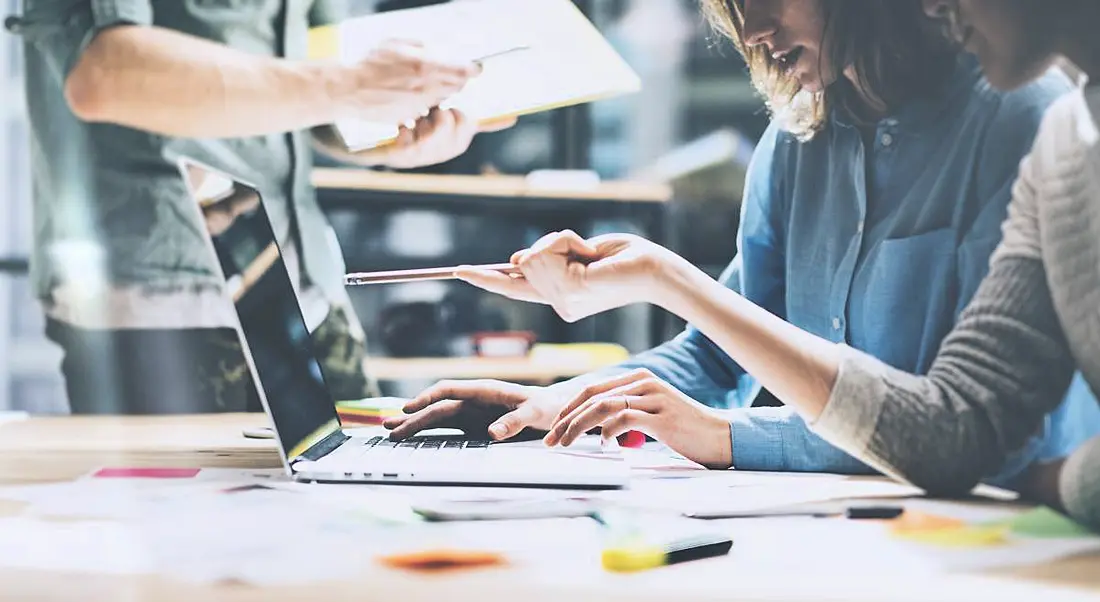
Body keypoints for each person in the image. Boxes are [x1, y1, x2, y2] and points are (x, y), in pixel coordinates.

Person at [397, 0, 1100, 529]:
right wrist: (559, 406)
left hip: (992, 528)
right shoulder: (799, 138)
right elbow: (717, 357)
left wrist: (727, 437)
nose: (755, 30)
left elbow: (976, 433)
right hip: (854, 528)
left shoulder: (1027, 118)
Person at [7, 0, 511, 414]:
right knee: (186, 531)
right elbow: (105, 73)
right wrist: (350, 86)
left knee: (361, 507)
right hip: (165, 299)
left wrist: (390, 135)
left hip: (307, 286)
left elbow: (315, 85)